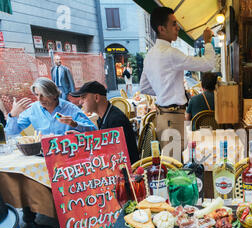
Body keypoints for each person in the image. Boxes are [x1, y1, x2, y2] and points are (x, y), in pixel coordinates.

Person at [139, 6, 217, 151]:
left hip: (162, 117)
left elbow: (144, 87)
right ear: (161, 29)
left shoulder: (150, 55)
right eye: (174, 24)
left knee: (172, 163)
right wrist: (207, 42)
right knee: (175, 167)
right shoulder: (170, 53)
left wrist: (165, 91)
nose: (178, 28)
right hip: (172, 118)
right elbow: (208, 64)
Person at [70, 81, 139, 164]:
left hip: (127, 169)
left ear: (96, 98)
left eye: (83, 98)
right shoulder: (103, 116)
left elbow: (109, 155)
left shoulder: (115, 120)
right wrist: (81, 138)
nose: (80, 102)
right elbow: (103, 144)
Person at [5, 77, 97, 136]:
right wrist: (13, 115)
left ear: (54, 94)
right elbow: (11, 133)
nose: (39, 99)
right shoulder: (33, 109)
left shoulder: (70, 109)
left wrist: (75, 124)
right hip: (43, 154)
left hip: (67, 152)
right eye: (37, 95)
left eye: (43, 95)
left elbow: (93, 130)